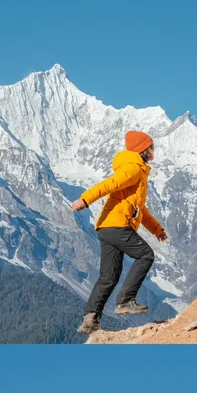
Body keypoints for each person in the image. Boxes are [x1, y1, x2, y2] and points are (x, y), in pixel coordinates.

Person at [72, 130, 168, 335]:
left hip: (106, 227)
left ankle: (90, 320)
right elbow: (110, 184)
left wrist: (157, 230)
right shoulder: (134, 168)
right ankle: (125, 301)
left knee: (109, 276)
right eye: (151, 147)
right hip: (117, 225)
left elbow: (141, 209)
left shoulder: (135, 168)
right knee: (145, 255)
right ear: (143, 150)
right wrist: (85, 200)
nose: (154, 150)